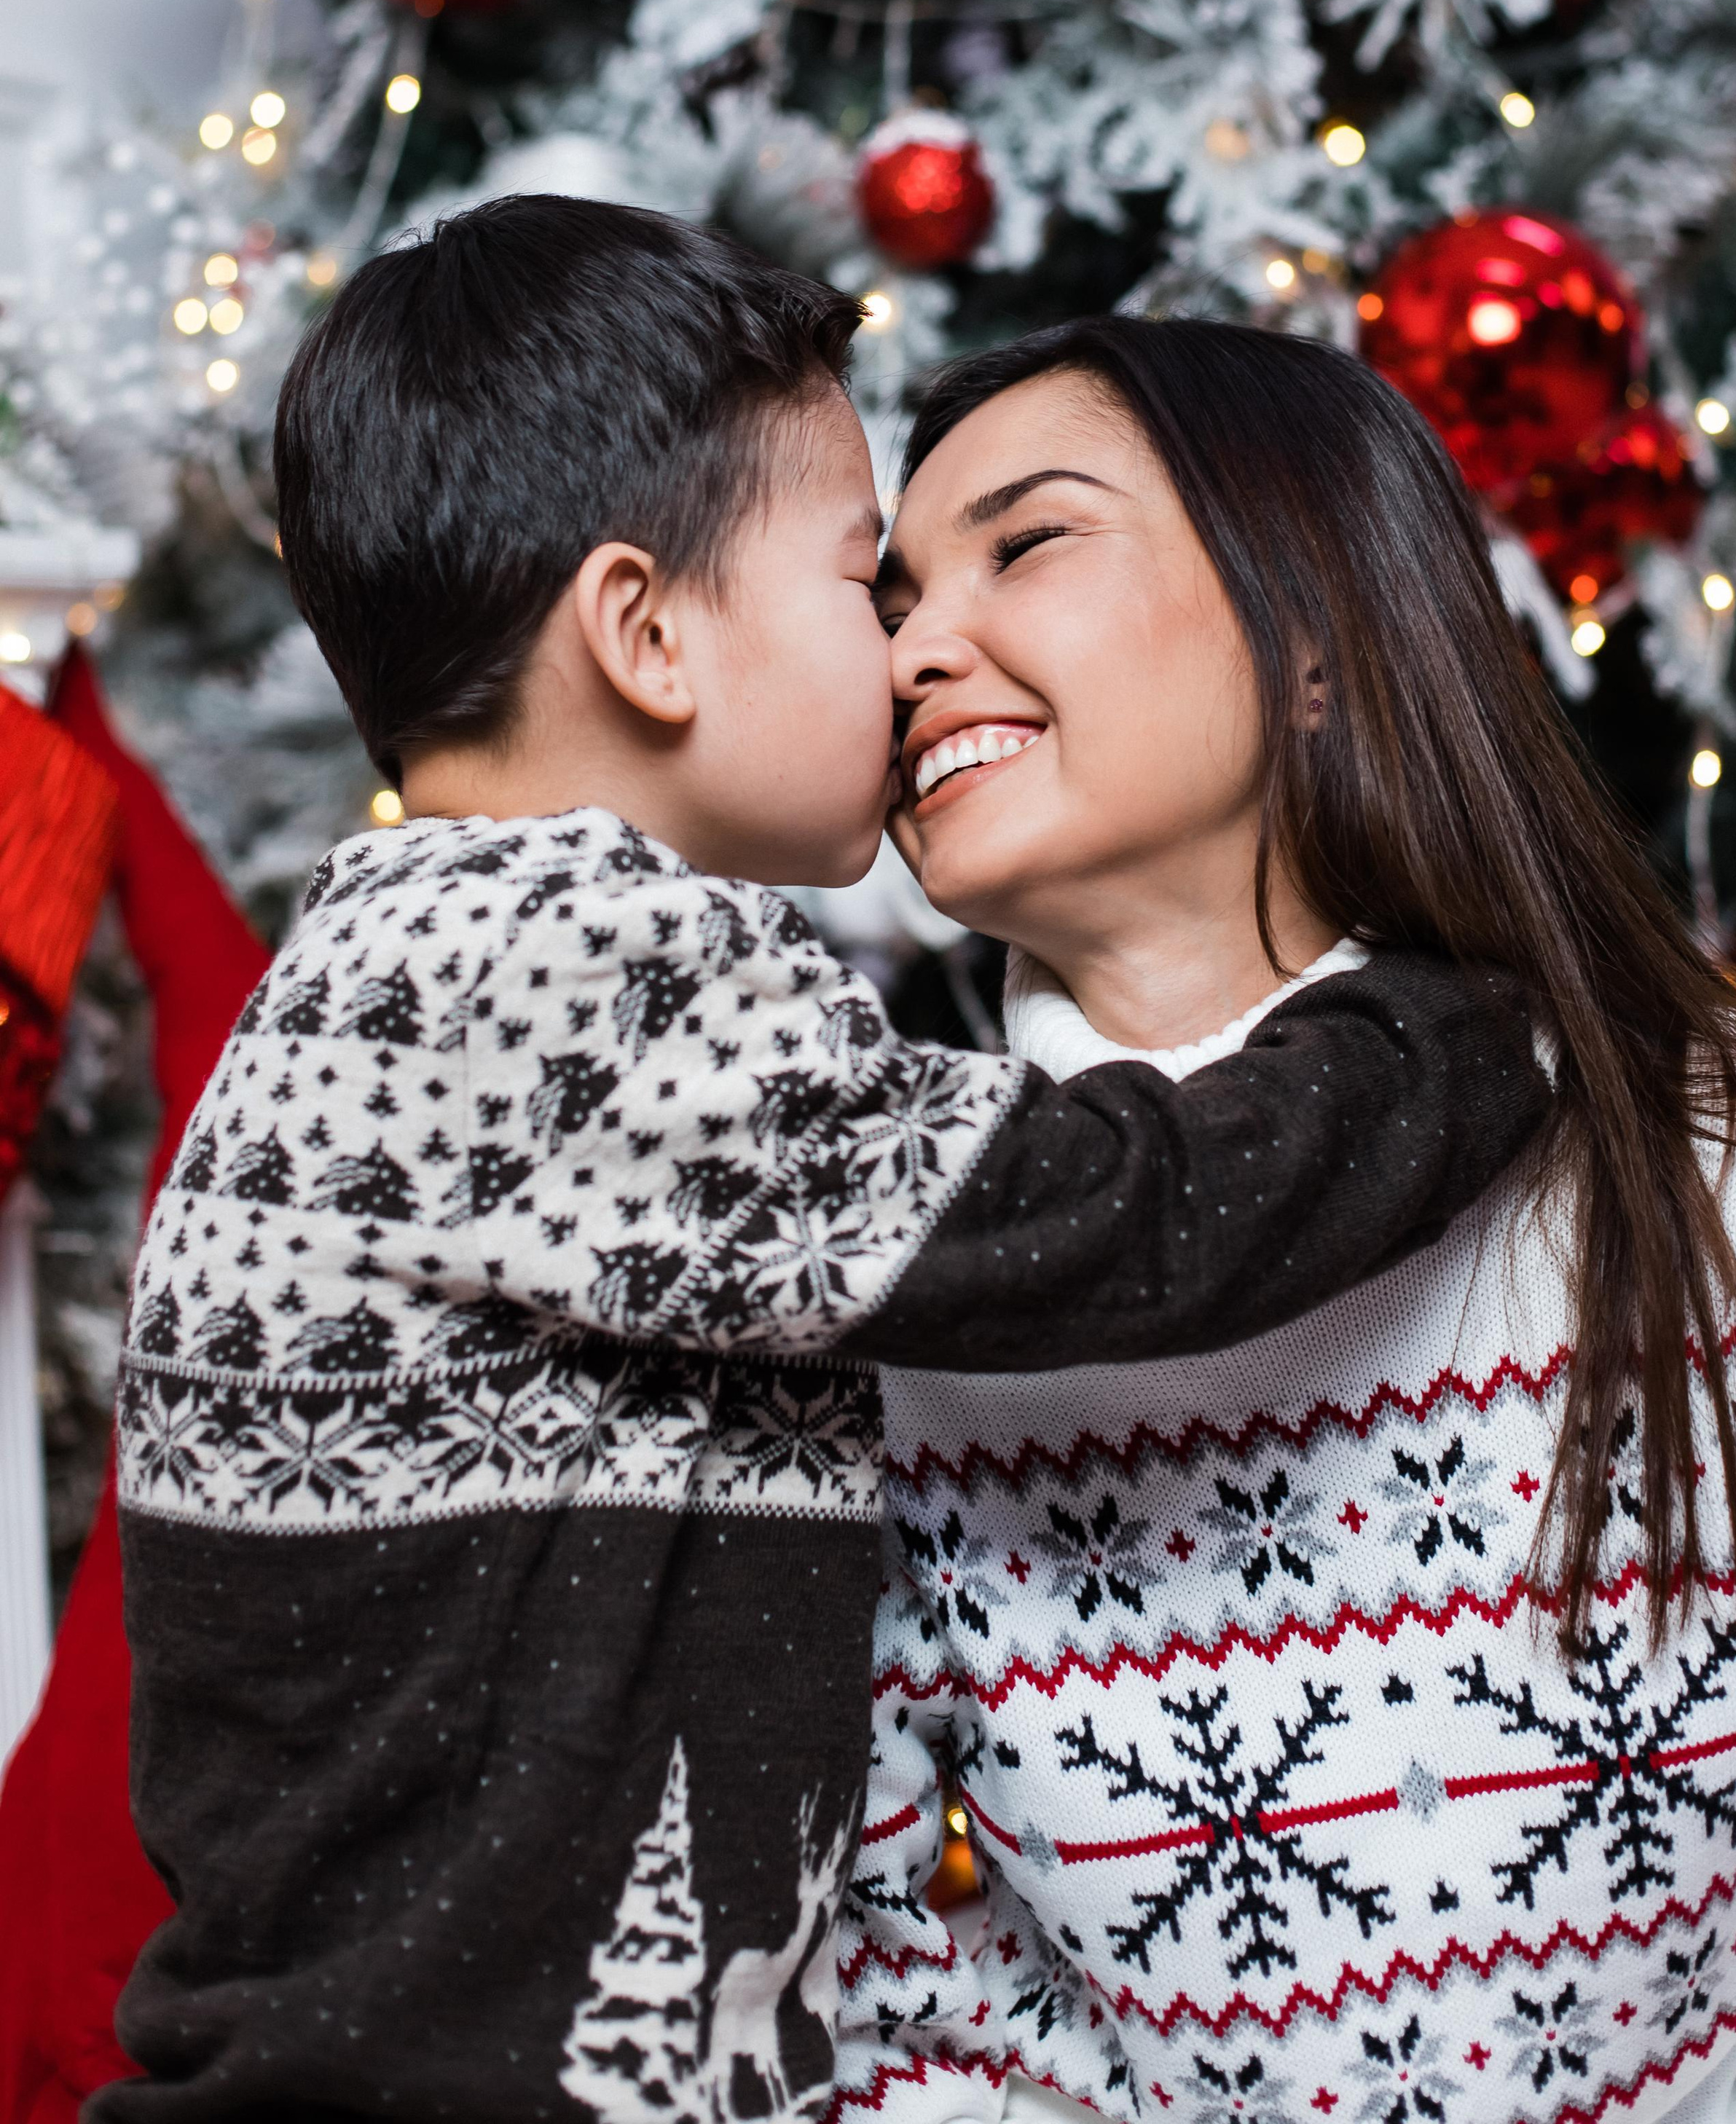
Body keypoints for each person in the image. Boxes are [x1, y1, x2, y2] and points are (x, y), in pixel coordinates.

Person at [101, 205, 1550, 2124]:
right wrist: (1443, 1039)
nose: (910, 658)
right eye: (863, 582)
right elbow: (1098, 1217)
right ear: (647, 635)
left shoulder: (412, 958)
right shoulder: (541, 964)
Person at [838, 318, 1736, 2124]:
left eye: (1027, 544)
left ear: (1312, 635)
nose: (913, 650)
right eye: (892, 593)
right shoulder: (870, 1286)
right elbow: (848, 1976)